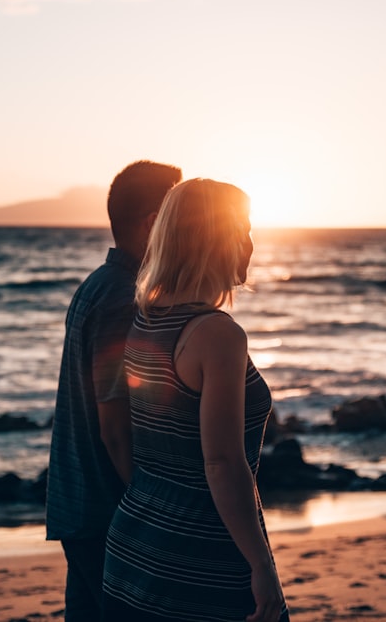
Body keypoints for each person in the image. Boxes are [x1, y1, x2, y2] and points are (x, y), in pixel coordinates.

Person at [102, 178, 290, 622]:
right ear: (212, 239)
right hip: (199, 562)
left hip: (132, 551)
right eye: (241, 228)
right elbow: (222, 463)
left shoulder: (145, 319)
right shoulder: (218, 335)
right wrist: (262, 565)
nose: (250, 242)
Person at [46, 160, 182, 622]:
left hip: (79, 502)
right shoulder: (122, 298)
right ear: (151, 225)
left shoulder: (97, 286)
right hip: (108, 512)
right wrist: (148, 510)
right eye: (176, 221)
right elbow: (115, 425)